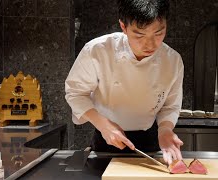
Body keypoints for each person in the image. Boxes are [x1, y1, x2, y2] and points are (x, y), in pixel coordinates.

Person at [65, 0, 184, 165]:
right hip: (106, 138)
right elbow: (75, 93)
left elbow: (170, 106)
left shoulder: (173, 60)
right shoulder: (97, 50)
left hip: (150, 140)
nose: (150, 44)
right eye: (139, 35)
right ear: (123, 27)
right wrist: (103, 124)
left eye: (158, 33)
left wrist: (165, 131)